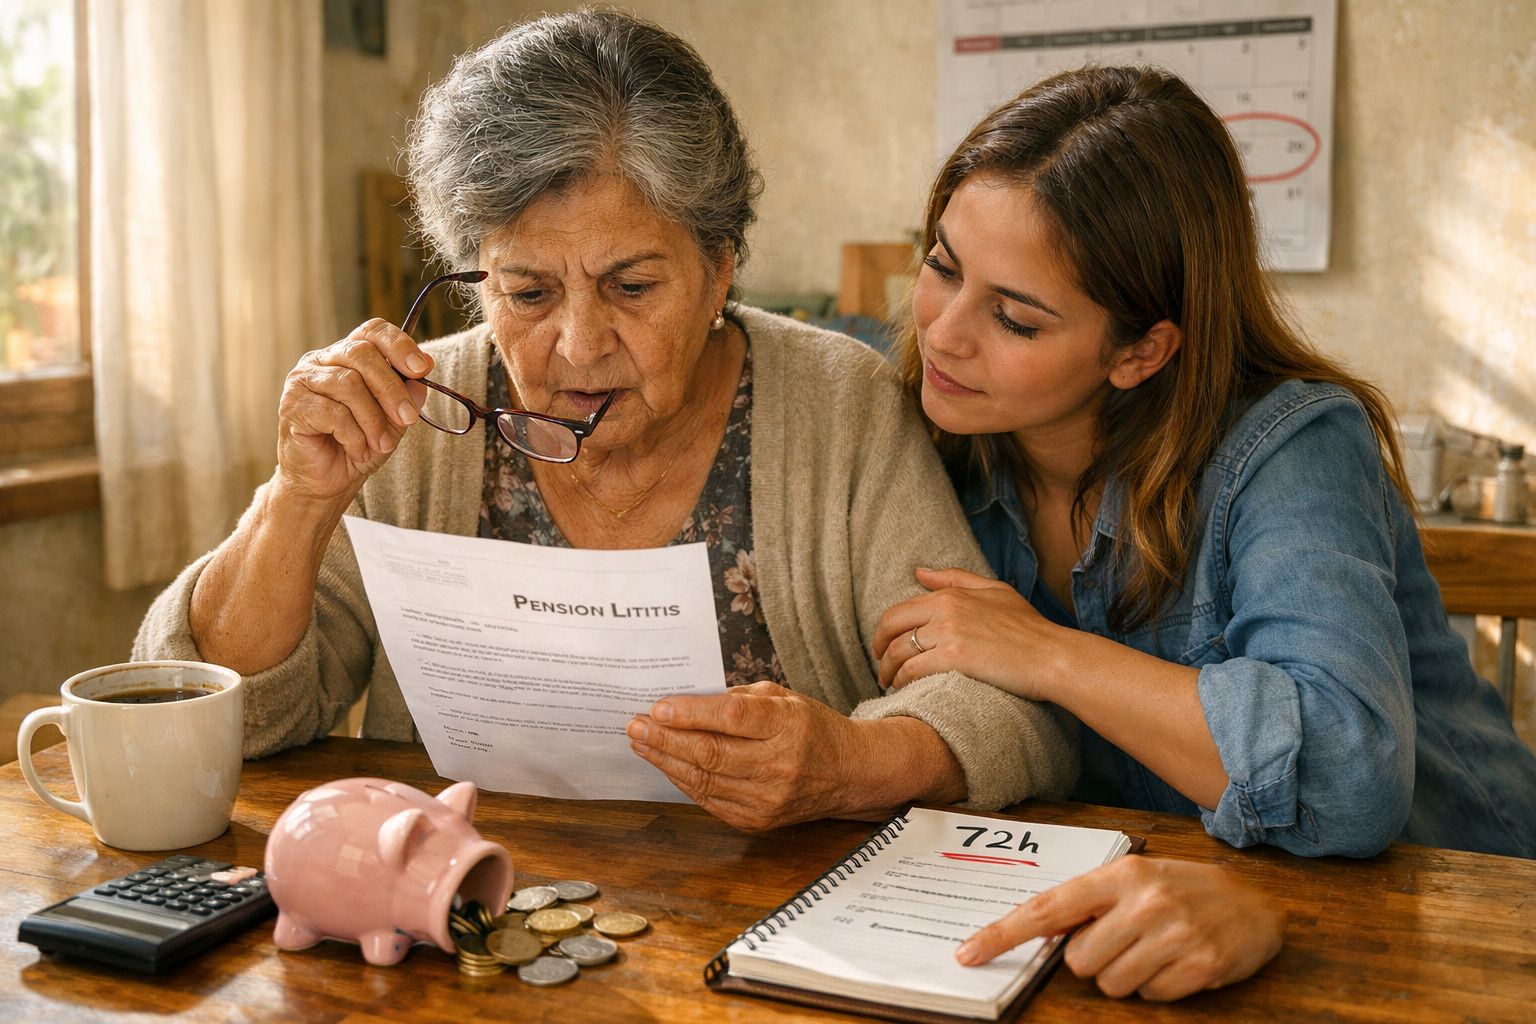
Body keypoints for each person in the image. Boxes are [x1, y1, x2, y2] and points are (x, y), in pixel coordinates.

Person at [132, 9, 1079, 831]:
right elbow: (237, 715)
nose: (578, 346)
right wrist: (297, 501)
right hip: (459, 919)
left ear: (720, 267)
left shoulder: (839, 403)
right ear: (476, 280)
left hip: (767, 933)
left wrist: (851, 766)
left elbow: (1006, 713)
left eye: (631, 286)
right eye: (528, 292)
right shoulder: (419, 410)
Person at [873, 66, 1536, 862]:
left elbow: (1346, 777)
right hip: (1169, 900)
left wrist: (1043, 652)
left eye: (1014, 319)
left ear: (1141, 351)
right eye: (942, 268)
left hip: (1459, 910)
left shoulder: (1291, 447)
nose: (944, 333)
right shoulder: (934, 434)